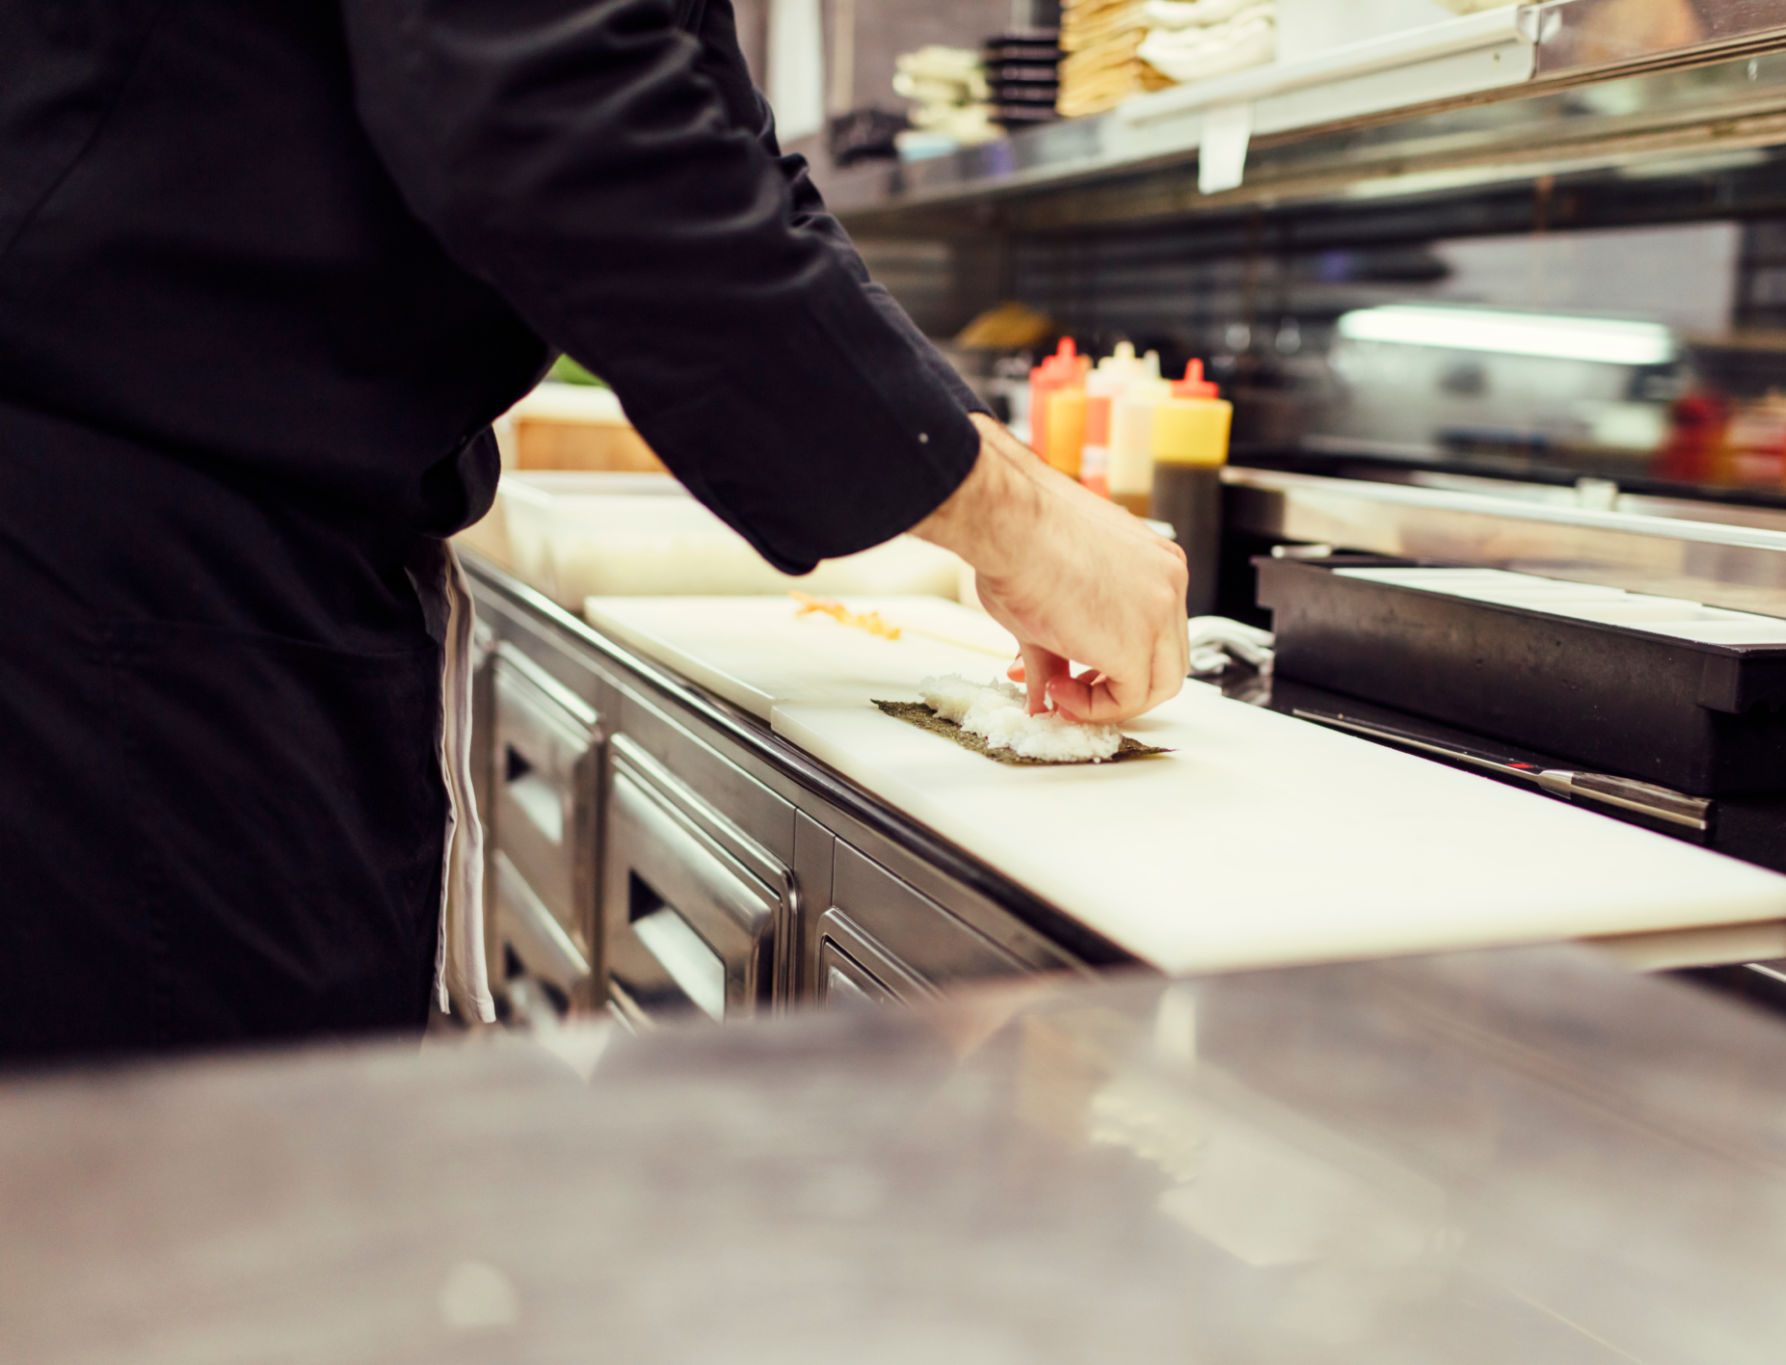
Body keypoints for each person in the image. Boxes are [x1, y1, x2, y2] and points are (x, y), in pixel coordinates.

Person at [0, 0, 1187, 1063]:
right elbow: (557, 108)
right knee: (184, 1242)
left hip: (175, 548)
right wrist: (1020, 522)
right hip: (104, 565)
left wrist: (990, 474)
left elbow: (708, 137)